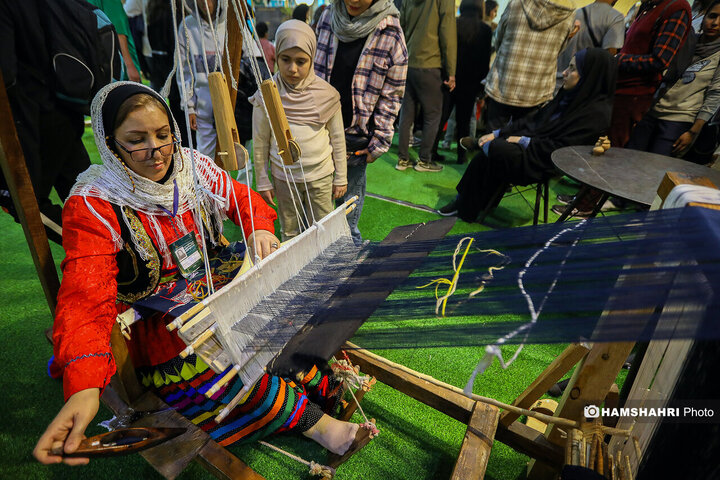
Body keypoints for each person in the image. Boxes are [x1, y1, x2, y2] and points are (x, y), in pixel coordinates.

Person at [32, 82, 374, 468]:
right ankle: (315, 423)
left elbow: (241, 197)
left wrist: (258, 225)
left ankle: (322, 383)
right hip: (168, 325)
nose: (156, 151)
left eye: (163, 135)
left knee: (286, 318)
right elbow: (84, 297)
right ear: (110, 143)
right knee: (226, 363)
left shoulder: (192, 167)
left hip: (219, 287)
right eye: (136, 139)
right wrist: (84, 386)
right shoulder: (93, 204)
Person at [438, 49, 616, 222]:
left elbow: (563, 150)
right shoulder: (569, 96)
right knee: (491, 152)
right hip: (533, 149)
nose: (564, 72)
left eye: (572, 68)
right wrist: (497, 133)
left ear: (591, 76)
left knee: (496, 149)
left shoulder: (595, 114)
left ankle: (466, 204)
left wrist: (522, 141)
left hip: (544, 161)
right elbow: (534, 121)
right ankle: (467, 204)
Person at [314, 0, 408, 245]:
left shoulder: (390, 29)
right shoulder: (327, 16)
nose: (353, 0)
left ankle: (349, 251)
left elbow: (393, 93)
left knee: (348, 209)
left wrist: (380, 141)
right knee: (315, 205)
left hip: (356, 134)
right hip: (318, 127)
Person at [0, 0, 91, 244]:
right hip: (68, 103)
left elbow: (6, 74)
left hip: (32, 118)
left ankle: (105, 254)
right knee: (87, 193)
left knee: (22, 201)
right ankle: (132, 259)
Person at [252, 20, 347, 241]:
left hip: (322, 174)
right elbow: (260, 141)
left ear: (312, 59)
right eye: (285, 59)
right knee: (290, 231)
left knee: (324, 228)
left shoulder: (327, 95)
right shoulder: (267, 94)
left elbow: (338, 139)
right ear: (277, 58)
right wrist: (263, 180)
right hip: (284, 177)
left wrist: (341, 176)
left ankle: (326, 269)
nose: (293, 68)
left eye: (301, 61)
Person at [627, 0, 720, 158]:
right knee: (628, 158)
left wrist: (693, 132)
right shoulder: (686, 40)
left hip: (679, 121)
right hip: (652, 110)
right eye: (712, 16)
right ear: (704, 17)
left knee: (656, 170)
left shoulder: (717, 56)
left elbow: (715, 94)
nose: (715, 23)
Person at [483, 0, 579, 131]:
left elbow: (499, 39)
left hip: (503, 83)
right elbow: (558, 52)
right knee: (520, 142)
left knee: (492, 139)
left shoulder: (516, 4)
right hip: (537, 90)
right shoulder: (569, 14)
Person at [610, 0, 692, 147]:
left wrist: (617, 59)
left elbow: (660, 59)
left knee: (612, 147)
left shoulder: (677, 7)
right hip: (617, 88)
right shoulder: (648, 6)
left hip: (632, 94)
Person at [396, 0, 457, 172]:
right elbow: (448, 32)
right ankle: (424, 161)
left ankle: (402, 159)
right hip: (431, 64)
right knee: (432, 115)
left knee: (406, 113)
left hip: (409, 61)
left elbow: (402, 26)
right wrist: (451, 71)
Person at [432, 0, 491, 165]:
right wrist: (478, 82)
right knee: (464, 121)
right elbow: (484, 62)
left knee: (441, 117)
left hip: (449, 80)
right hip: (470, 84)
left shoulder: (454, 25)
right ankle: (461, 155)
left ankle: (432, 150)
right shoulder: (485, 30)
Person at [177, 0, 226, 157]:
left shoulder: (230, 24)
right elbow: (184, 69)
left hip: (233, 105)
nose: (205, 2)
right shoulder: (187, 26)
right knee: (206, 158)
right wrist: (189, 106)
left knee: (238, 157)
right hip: (203, 105)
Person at [555, 0, 625, 92]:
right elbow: (608, 56)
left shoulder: (576, 12)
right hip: (580, 87)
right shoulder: (616, 18)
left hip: (557, 80)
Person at [87, 0, 142, 82]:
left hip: (96, 65)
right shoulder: (111, 2)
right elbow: (118, 33)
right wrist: (130, 66)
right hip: (119, 68)